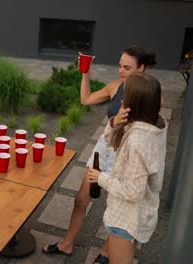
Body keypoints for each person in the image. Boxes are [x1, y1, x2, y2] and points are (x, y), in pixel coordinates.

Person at [43, 46, 156, 264]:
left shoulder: (147, 96)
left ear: (141, 68)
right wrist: (86, 72)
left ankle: (105, 253)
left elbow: (147, 135)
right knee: (81, 199)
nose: (121, 71)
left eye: (127, 67)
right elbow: (86, 99)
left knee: (116, 211)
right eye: (120, 65)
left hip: (125, 159)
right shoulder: (115, 87)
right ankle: (67, 244)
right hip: (104, 152)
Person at [88, 72, 167, 264]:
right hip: (138, 215)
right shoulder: (155, 125)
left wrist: (100, 178)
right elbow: (110, 141)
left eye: (127, 94)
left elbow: (133, 191)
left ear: (135, 102)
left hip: (126, 219)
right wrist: (115, 123)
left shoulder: (137, 140)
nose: (122, 98)